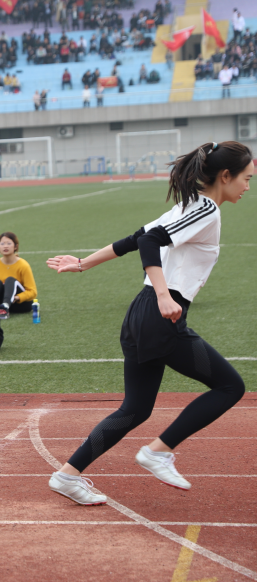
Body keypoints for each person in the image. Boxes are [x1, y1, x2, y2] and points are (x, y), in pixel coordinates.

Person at [46, 141, 252, 506]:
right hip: (160, 315)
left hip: (142, 314)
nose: (248, 186)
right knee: (230, 387)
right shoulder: (205, 210)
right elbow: (150, 242)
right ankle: (158, 452)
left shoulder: (189, 207)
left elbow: (134, 238)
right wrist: (162, 294)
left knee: (135, 409)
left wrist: (81, 263)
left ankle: (67, 475)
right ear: (225, 176)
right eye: (246, 178)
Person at [0, 231, 37, 319]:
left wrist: (17, 297)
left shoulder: (23, 265)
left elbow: (33, 292)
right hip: (0, 302)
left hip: (20, 304)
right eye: (2, 243)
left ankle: (5, 307)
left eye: (9, 243)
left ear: (15, 246)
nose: (5, 246)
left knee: (10, 280)